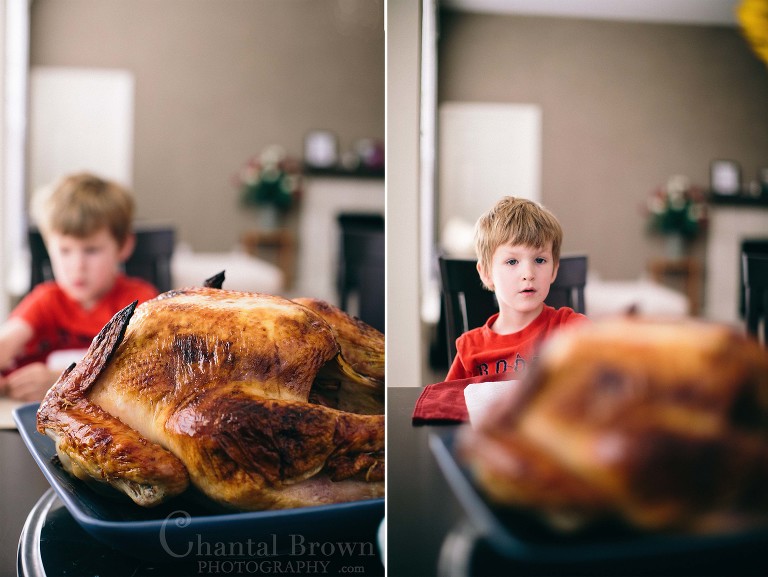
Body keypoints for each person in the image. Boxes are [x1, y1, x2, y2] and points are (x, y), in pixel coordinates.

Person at [0, 172, 159, 401]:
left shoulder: (139, 301)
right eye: (65, 250)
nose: (77, 266)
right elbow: (7, 341)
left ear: (123, 246)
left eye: (91, 250)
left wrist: (63, 379)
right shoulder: (46, 300)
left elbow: (146, 368)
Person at [446, 196, 588, 381]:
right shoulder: (470, 347)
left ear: (554, 270)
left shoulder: (572, 330)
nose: (528, 273)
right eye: (512, 261)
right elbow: (445, 405)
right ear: (486, 273)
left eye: (540, 260)